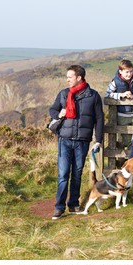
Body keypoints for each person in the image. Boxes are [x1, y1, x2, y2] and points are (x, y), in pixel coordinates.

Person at [49, 65, 104, 219]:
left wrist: (98, 140)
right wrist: (59, 113)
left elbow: (99, 119)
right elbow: (52, 110)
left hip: (82, 141)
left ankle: (73, 204)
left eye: (70, 77)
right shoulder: (63, 94)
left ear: (79, 78)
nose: (67, 79)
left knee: (77, 174)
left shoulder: (93, 96)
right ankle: (59, 207)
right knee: (63, 174)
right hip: (64, 140)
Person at [106, 59, 133, 149]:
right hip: (122, 116)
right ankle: (130, 159)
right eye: (127, 72)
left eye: (131, 71)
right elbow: (108, 94)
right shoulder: (115, 82)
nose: (129, 74)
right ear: (120, 71)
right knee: (127, 140)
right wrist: (121, 95)